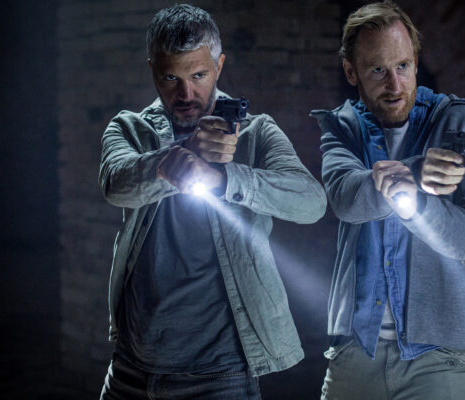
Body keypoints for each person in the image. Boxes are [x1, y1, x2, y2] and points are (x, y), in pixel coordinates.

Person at [98, 4, 327, 399]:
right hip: (132, 367)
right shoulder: (129, 128)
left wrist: (225, 180)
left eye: (198, 75)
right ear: (153, 69)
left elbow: (311, 201)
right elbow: (116, 184)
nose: (186, 93)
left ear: (219, 66)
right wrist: (177, 158)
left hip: (222, 373)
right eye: (171, 77)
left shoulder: (256, 132)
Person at [311, 1, 465, 399]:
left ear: (416, 60)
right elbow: (347, 199)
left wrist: (421, 204)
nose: (395, 85)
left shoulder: (459, 123)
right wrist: (417, 171)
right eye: (378, 70)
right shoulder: (341, 128)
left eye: (402, 66)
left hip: (443, 356)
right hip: (355, 350)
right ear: (351, 72)